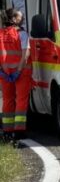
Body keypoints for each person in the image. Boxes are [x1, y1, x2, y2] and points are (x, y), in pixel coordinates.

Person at [1, 8, 31, 141]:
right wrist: (18, 71)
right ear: (13, 19)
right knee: (21, 99)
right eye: (19, 16)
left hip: (4, 73)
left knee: (7, 99)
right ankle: (19, 130)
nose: (22, 17)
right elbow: (25, 55)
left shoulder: (0, 34)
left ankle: (7, 130)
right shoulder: (22, 34)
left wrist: (2, 72)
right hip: (21, 71)